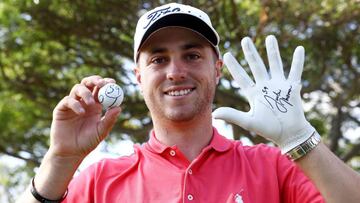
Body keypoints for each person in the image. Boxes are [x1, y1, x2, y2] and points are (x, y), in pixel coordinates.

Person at [17, 2, 360, 203]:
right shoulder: (100, 180)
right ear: (138, 75)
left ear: (218, 69)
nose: (176, 72)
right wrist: (59, 159)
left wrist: (301, 139)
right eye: (158, 59)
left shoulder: (274, 166)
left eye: (193, 55)